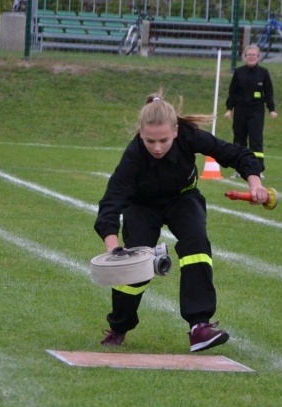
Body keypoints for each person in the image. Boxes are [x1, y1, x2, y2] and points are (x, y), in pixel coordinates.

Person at [95, 92, 269, 352]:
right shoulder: (133, 156)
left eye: (163, 140)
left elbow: (235, 154)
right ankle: (120, 325)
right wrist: (113, 248)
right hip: (142, 207)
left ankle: (200, 326)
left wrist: (255, 183)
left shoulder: (189, 135)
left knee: (196, 246)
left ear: (175, 131)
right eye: (149, 140)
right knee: (135, 268)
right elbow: (111, 203)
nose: (156, 147)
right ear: (140, 134)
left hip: (183, 199)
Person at [224, 45, 277, 178]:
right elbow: (232, 92)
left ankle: (257, 169)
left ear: (258, 57)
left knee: (256, 140)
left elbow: (269, 92)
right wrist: (229, 109)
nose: (251, 57)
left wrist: (272, 109)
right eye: (249, 55)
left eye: (254, 55)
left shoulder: (263, 73)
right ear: (245, 56)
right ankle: (239, 168)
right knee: (239, 140)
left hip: (256, 111)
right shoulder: (239, 72)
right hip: (240, 110)